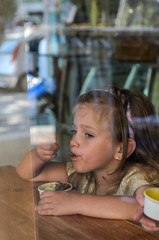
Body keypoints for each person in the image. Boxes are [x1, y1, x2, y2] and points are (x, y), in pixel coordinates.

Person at [16, 87, 159, 231]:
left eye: (88, 135)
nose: (73, 141)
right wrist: (38, 155)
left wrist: (76, 202)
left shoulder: (137, 176)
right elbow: (29, 174)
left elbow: (140, 207)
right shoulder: (83, 174)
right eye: (74, 131)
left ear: (122, 149)